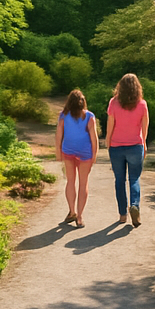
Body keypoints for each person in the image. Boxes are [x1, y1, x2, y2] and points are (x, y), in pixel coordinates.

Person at [105, 73, 149, 226]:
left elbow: (110, 124)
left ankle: (123, 214)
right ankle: (135, 206)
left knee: (119, 180)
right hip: (135, 146)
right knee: (134, 179)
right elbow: (145, 126)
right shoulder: (142, 104)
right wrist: (144, 143)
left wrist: (107, 141)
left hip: (116, 147)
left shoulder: (113, 102)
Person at [55, 88, 98, 228]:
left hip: (68, 152)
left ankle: (72, 211)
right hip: (85, 153)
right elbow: (94, 138)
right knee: (83, 183)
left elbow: (59, 135)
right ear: (83, 102)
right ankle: (79, 217)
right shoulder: (89, 116)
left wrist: (58, 151)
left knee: (70, 182)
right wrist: (94, 155)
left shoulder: (63, 115)